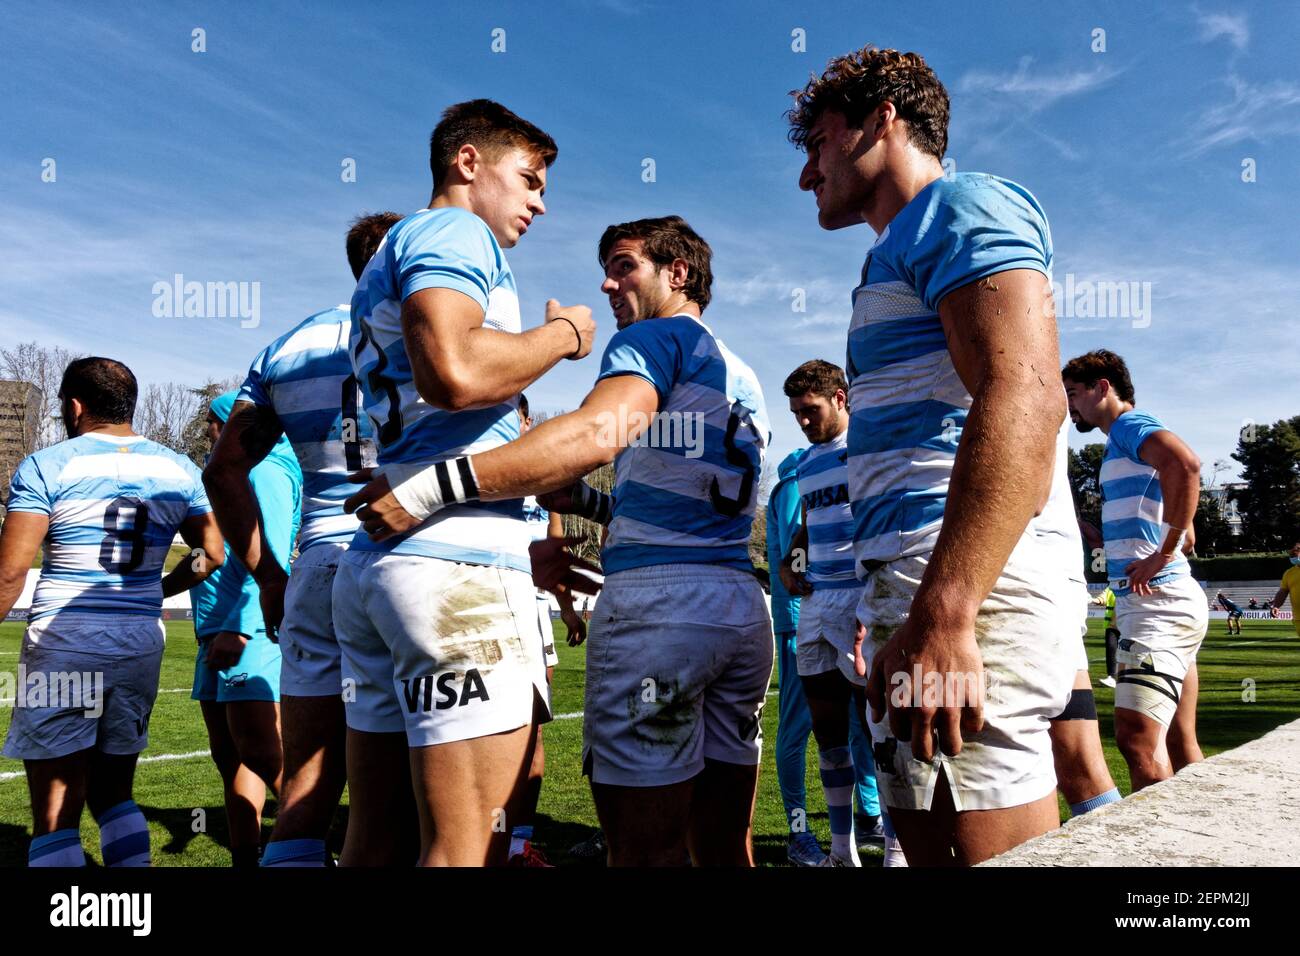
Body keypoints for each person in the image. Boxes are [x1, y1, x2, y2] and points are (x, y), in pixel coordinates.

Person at [345, 214, 772, 866]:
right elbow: (692, 506)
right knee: (720, 844)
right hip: (739, 606)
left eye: (624, 265)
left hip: (661, 613)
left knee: (641, 851)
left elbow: (594, 434)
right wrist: (591, 502)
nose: (606, 283)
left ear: (677, 274)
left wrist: (428, 490)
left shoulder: (655, 339)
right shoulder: (739, 373)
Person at [787, 46, 1087, 865]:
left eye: (816, 142)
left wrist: (946, 610)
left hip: (958, 586)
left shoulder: (956, 206)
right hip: (923, 575)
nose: (807, 175)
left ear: (881, 118)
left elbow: (1025, 394)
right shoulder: (895, 249)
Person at [337, 98, 593, 866]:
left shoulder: (398, 250)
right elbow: (453, 373)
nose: (540, 202)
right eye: (531, 178)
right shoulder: (456, 230)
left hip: (387, 564)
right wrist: (563, 335)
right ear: (469, 162)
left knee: (375, 838)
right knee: (463, 848)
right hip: (457, 570)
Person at [202, 211, 408, 867]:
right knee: (424, 792)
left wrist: (268, 577)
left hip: (320, 566)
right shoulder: (436, 324)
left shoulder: (289, 345)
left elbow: (223, 468)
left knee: (307, 787)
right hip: (412, 552)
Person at [0, 358, 223, 866]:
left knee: (55, 815)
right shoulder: (179, 468)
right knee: (114, 793)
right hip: (138, 638)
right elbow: (212, 553)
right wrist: (162, 588)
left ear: (74, 406)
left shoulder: (48, 464)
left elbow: (11, 573)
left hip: (66, 637)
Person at [1062, 349, 1206, 791]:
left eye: (1073, 394)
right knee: (1181, 743)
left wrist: (1161, 554)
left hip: (1157, 606)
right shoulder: (1119, 445)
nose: (1070, 408)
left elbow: (1186, 464)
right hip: (1160, 601)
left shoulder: (1128, 425)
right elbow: (1191, 535)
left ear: (1102, 388)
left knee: (1137, 742)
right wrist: (1111, 540)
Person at [777, 360, 884, 866]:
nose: (802, 420)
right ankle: (843, 851)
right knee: (829, 733)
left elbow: (886, 518)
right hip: (816, 605)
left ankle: (897, 849)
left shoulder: (868, 446)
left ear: (841, 398)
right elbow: (813, 519)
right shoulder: (806, 462)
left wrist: (874, 598)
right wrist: (789, 561)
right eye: (796, 412)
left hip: (861, 602)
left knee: (881, 731)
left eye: (810, 410)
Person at [190, 392, 301, 866]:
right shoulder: (248, 471)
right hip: (216, 629)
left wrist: (241, 627)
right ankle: (246, 858)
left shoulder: (265, 471)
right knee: (231, 756)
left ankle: (312, 844)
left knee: (260, 749)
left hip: (245, 628)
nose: (212, 436)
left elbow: (271, 556)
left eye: (217, 426)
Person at [508, 393, 586, 867]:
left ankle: (519, 845)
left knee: (533, 729)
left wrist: (568, 608)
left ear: (527, 418)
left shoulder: (546, 472)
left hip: (536, 612)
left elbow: (555, 548)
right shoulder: (478, 464)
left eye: (511, 415)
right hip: (490, 602)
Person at [1268, 541, 1300, 636]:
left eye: (1295, 553)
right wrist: (1276, 606)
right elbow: (1283, 591)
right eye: (1291, 554)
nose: (1292, 556)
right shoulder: (1288, 573)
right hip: (1298, 619)